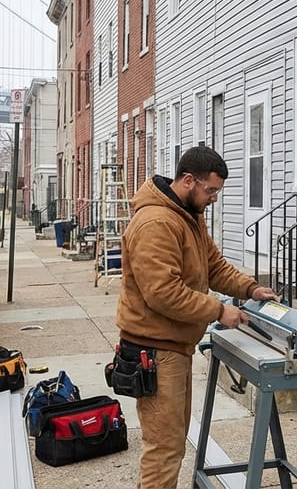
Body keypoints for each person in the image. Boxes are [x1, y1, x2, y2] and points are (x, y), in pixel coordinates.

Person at [115, 145, 278, 488]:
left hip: (173, 347)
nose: (214, 198)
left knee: (172, 442)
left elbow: (213, 266)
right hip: (154, 352)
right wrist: (219, 310)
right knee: (164, 450)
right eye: (211, 190)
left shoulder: (188, 216)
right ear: (188, 180)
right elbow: (163, 293)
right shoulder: (156, 223)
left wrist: (250, 289)